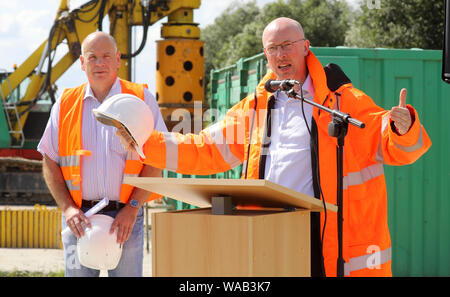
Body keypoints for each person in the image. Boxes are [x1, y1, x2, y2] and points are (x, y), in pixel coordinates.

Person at [117, 17, 431, 277]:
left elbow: (390, 143)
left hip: (324, 239)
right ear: (266, 56)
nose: (280, 55)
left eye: (287, 46)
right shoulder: (254, 107)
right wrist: (145, 142)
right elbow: (205, 150)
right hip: (270, 231)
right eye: (273, 49)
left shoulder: (342, 101)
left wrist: (402, 127)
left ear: (306, 48)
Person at [38, 31, 167, 277]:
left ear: (118, 60)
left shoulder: (141, 99)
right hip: (79, 220)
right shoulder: (64, 104)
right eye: (93, 57)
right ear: (82, 62)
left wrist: (133, 208)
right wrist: (67, 208)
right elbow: (49, 159)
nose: (100, 63)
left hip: (126, 218)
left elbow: (157, 159)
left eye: (106, 56)